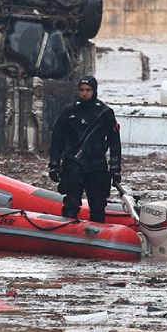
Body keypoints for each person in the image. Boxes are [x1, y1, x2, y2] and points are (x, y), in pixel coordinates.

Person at [48, 75, 122, 223]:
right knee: (71, 204)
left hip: (97, 165)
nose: (84, 93)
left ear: (94, 91)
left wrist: (115, 168)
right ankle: (66, 235)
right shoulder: (69, 112)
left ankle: (98, 237)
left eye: (88, 90)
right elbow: (57, 139)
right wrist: (54, 165)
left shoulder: (105, 113)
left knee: (98, 205)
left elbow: (114, 142)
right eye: (81, 90)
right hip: (73, 164)